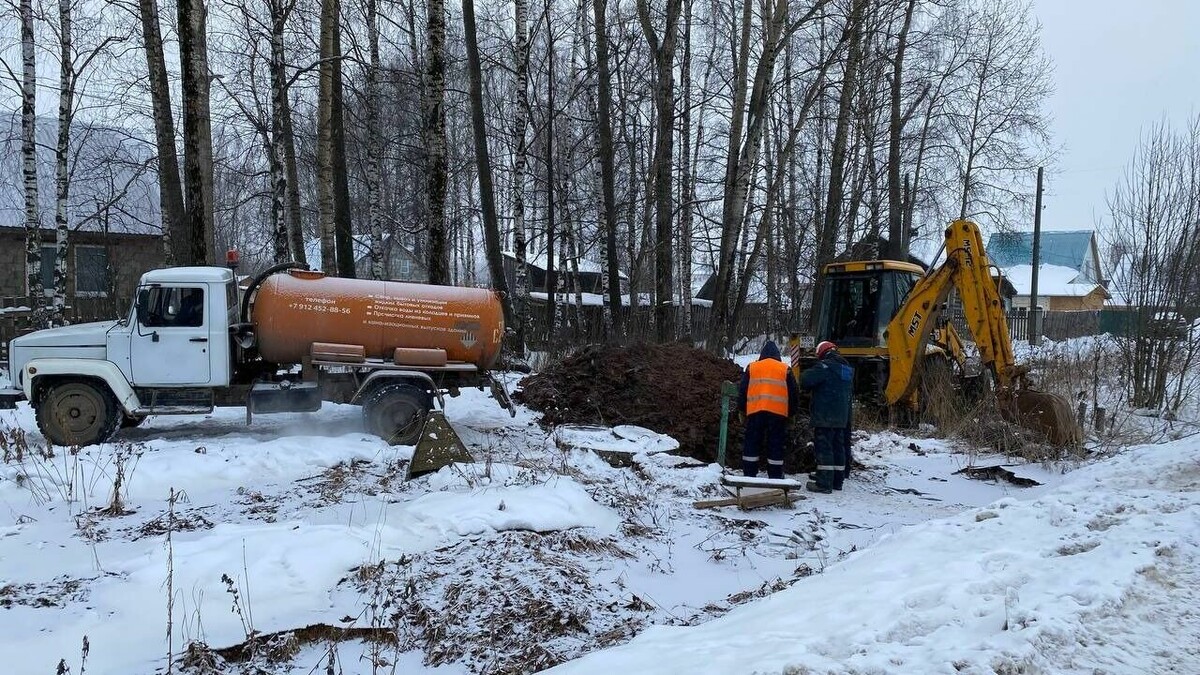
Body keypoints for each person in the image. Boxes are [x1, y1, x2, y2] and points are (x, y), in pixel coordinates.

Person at [737, 340, 800, 479]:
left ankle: (749, 474)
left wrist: (742, 410)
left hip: (755, 412)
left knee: (752, 442)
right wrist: (792, 414)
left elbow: (743, 391)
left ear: (762, 355)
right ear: (778, 355)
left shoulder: (752, 368)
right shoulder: (785, 369)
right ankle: (775, 476)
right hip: (778, 414)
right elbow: (793, 394)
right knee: (775, 444)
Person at [801, 340, 854, 493]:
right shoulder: (846, 369)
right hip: (842, 417)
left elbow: (805, 380)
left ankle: (824, 483)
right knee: (838, 447)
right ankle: (837, 481)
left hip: (825, 415)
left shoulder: (824, 366)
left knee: (824, 448)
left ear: (822, 353)